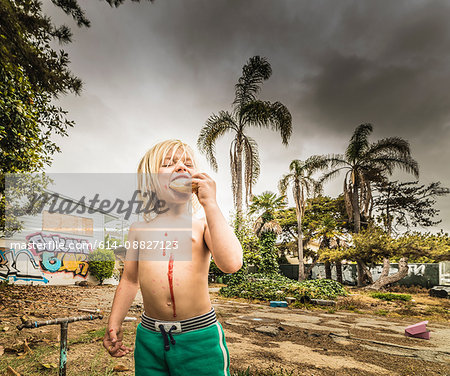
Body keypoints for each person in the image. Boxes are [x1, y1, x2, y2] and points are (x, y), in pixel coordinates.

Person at [103, 139, 243, 376]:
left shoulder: (202, 225)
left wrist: (210, 203)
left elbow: (231, 264)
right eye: (169, 164)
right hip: (150, 339)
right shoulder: (139, 229)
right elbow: (129, 280)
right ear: (150, 182)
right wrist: (114, 322)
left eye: (187, 163)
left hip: (199, 338)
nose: (181, 167)